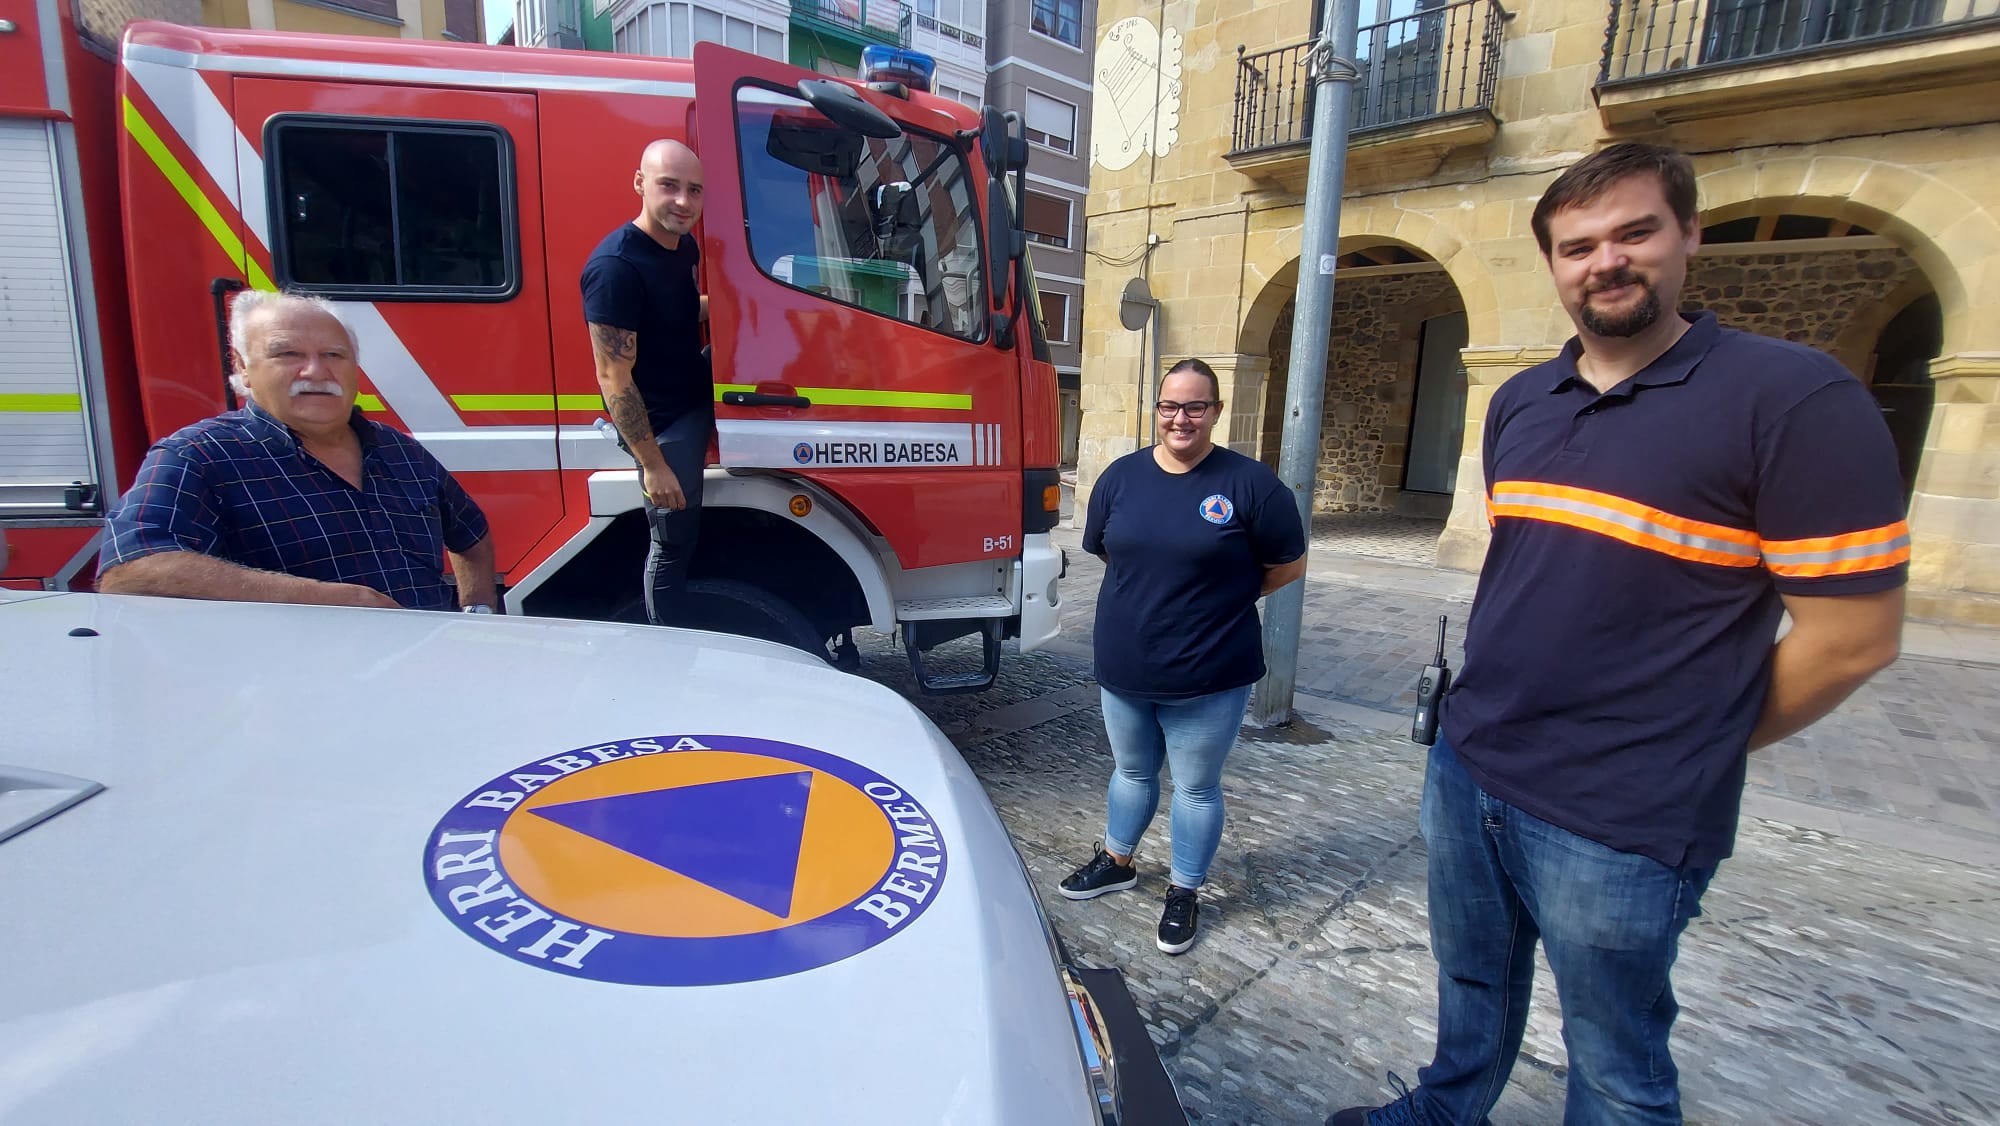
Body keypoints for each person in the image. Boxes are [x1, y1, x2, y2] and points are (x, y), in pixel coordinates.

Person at [1329, 144, 1908, 1126]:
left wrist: (1688, 740)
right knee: (1470, 985)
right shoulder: (1517, 402)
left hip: (1623, 813)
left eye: (1633, 231)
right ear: (1552, 264)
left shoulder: (1793, 400)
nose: (1604, 260)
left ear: (1685, 234)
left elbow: (1851, 640)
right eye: (1576, 245)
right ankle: (1442, 1110)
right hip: (1471, 766)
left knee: (1613, 1063)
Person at [1060, 358, 1308, 955]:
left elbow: (1288, 565)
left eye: (1195, 406)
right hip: (1125, 665)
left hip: (1211, 670)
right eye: (1170, 406)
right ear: (1157, 410)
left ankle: (1184, 890)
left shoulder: (1251, 485)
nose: (1181, 418)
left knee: (1196, 789)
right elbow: (1106, 550)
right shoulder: (1120, 477)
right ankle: (1117, 859)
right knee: (1131, 772)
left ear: (1216, 412)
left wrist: (1222, 599)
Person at [97, 290, 495, 611]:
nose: (316, 372)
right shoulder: (198, 456)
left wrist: (478, 614)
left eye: (333, 355)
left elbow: (471, 534)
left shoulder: (400, 452)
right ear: (244, 367)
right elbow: (130, 572)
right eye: (288, 354)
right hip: (293, 693)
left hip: (426, 677)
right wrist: (334, 599)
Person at [581, 138, 712, 626]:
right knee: (673, 539)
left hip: (695, 387)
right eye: (669, 186)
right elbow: (613, 376)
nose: (683, 201)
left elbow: (675, 314)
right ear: (640, 184)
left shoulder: (682, 245)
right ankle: (668, 642)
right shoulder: (615, 268)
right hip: (664, 422)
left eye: (694, 190)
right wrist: (653, 465)